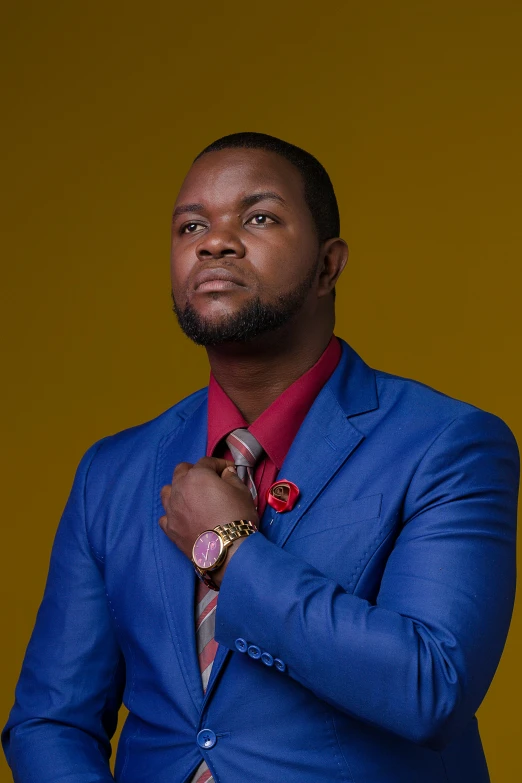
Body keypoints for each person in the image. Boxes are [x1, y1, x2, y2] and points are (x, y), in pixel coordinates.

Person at [3, 132, 519, 783]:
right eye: (192, 225)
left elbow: (430, 688)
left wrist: (228, 544)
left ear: (329, 266)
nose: (213, 241)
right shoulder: (111, 471)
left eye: (258, 217)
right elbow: (52, 721)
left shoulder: (448, 444)